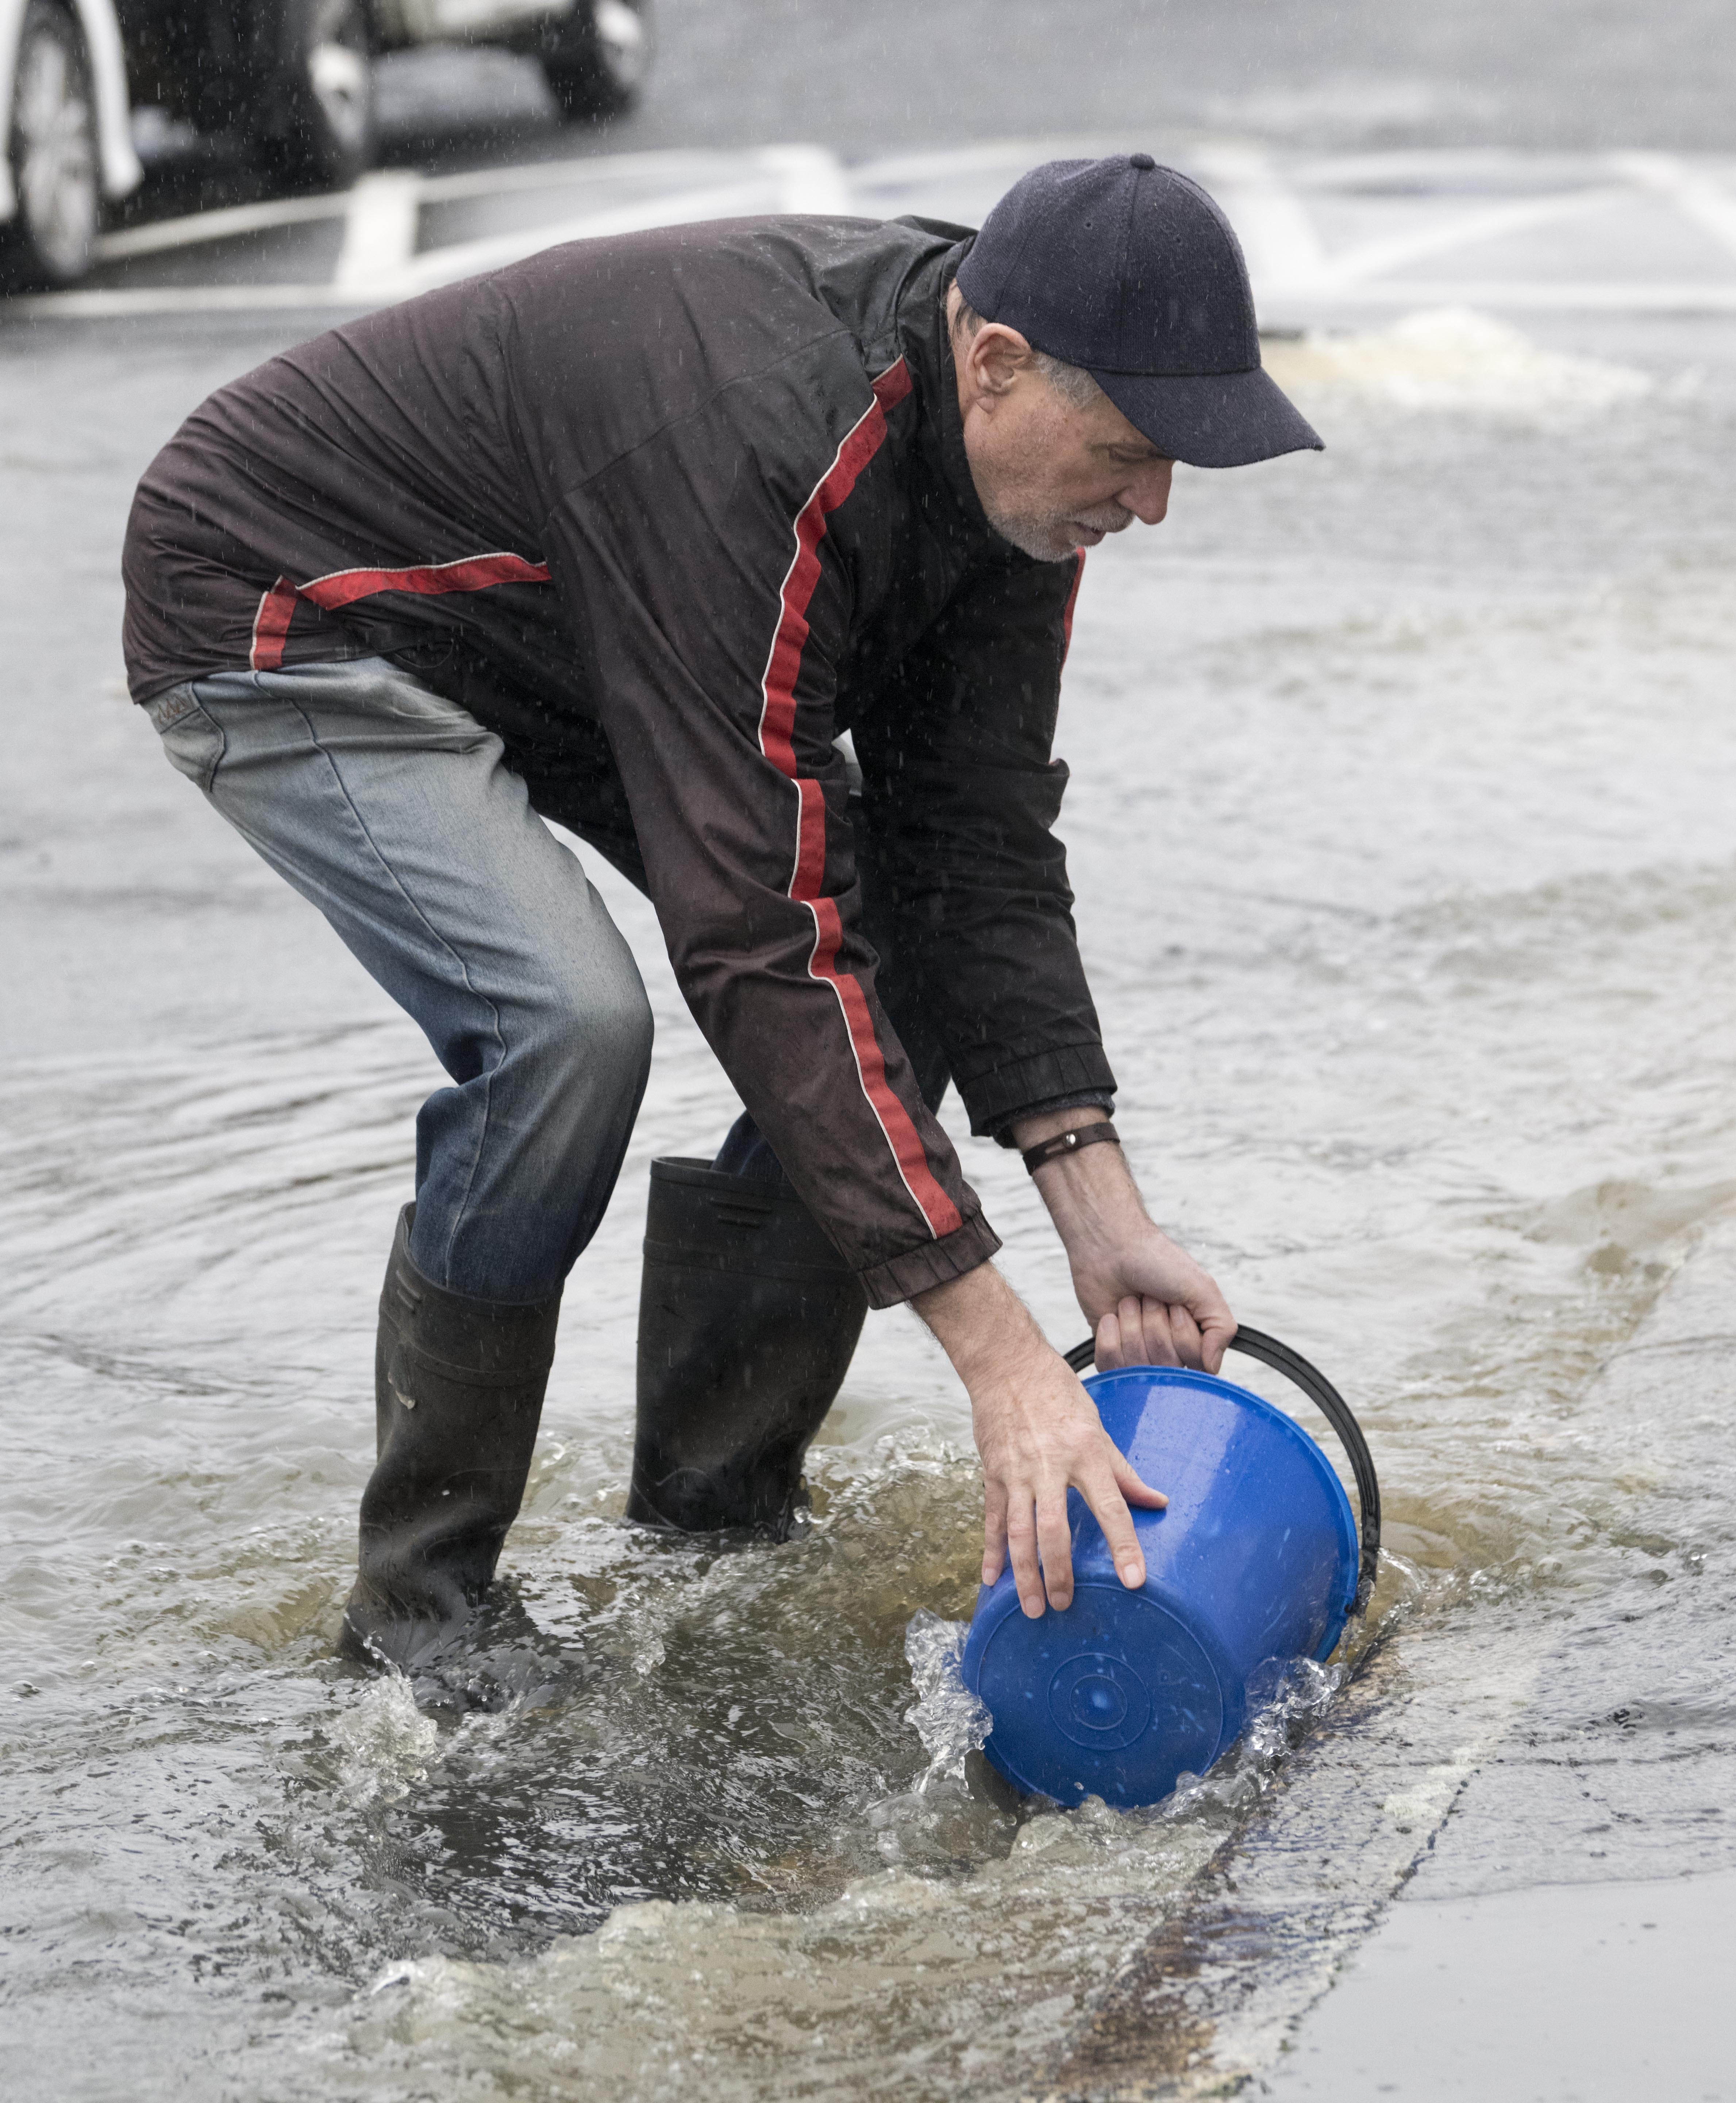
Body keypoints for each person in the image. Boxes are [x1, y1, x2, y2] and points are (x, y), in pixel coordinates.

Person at [122, 154, 1321, 1685]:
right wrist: (1001, 1356)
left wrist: (1098, 1214)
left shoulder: (1014, 480)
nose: (1149, 503)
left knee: (904, 939)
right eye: (1132, 450)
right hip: (296, 609)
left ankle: (706, 1528)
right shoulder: (757, 437)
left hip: (566, 624)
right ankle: (422, 1605)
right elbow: (757, 933)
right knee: (568, 1027)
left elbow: (981, 846)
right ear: (997, 362)